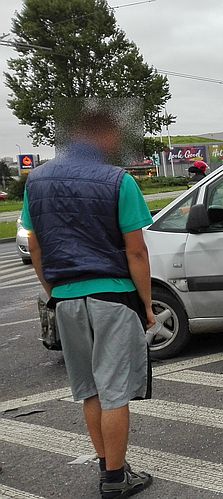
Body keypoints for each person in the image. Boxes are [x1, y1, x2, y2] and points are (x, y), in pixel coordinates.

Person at [22, 108, 155, 498]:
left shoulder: (37, 180)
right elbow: (136, 253)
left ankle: (106, 464)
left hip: (66, 298)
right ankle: (115, 480)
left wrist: (52, 289)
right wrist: (146, 304)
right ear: (105, 138)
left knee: (90, 390)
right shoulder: (119, 181)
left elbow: (35, 243)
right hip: (111, 296)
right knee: (115, 391)